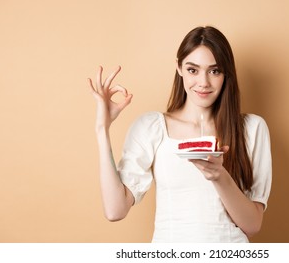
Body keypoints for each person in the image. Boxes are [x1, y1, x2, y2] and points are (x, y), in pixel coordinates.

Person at [87, 26, 272, 243]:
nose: (203, 82)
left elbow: (252, 225)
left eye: (214, 71)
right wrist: (102, 129)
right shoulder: (152, 127)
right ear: (179, 68)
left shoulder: (252, 129)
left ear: (226, 73)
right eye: (193, 70)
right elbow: (114, 210)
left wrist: (219, 176)